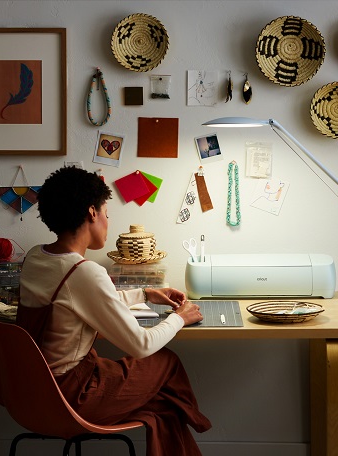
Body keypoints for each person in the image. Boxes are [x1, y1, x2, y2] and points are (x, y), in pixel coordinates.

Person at [17, 166, 212, 456]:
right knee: (165, 362)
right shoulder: (83, 272)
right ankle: (197, 420)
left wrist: (145, 293)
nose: (108, 221)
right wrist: (179, 318)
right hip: (71, 396)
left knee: (161, 408)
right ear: (92, 213)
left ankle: (185, 419)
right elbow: (141, 345)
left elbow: (77, 301)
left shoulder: (36, 257)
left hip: (32, 392)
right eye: (107, 213)